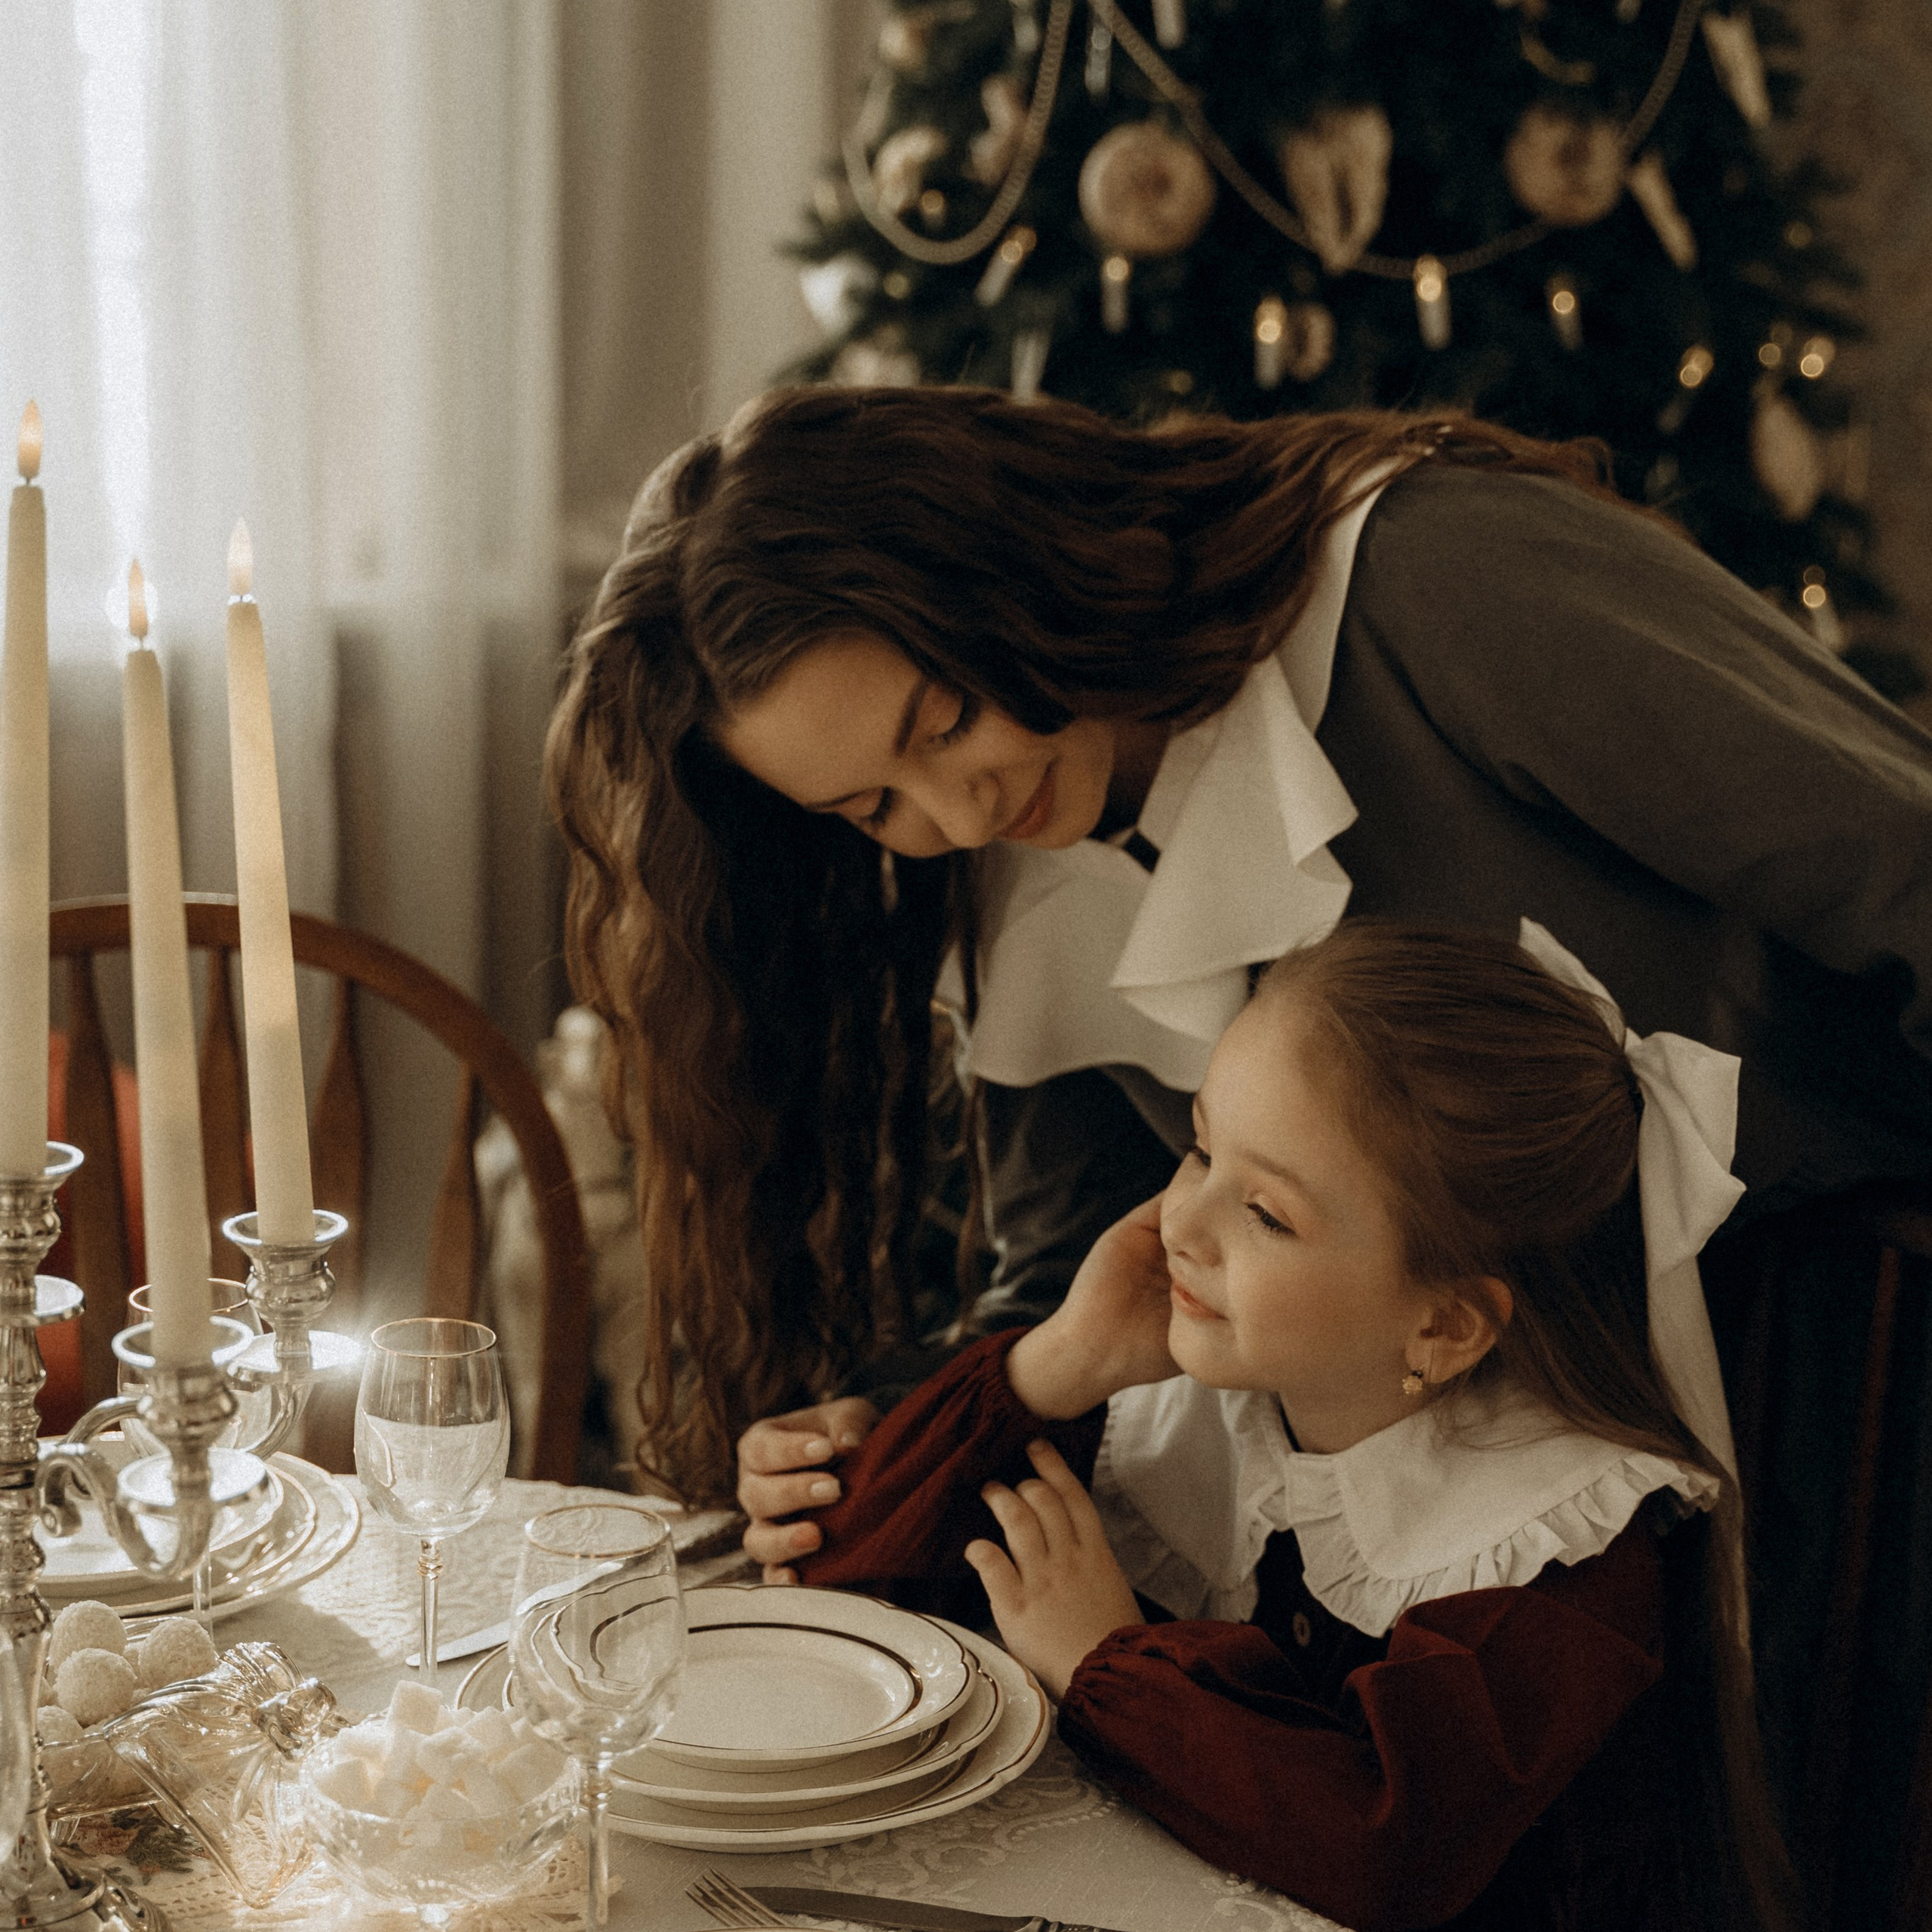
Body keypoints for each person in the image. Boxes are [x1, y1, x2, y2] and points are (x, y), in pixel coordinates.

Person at [544, 383, 1932, 1846]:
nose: (953, 816)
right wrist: (888, 1426)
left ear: (1007, 569)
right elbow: (1086, 1270)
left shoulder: (1433, 579)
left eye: (942, 721)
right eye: (870, 809)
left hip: (1852, 1354)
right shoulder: (1023, 845)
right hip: (1491, 1512)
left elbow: (1899, 868)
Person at [792, 921, 1791, 1932]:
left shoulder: (1548, 1551)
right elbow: (829, 1590)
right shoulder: (1188, 1406)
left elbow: (1378, 1855)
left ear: (1443, 1326)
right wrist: (1057, 1363)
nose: (1181, 1223)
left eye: (1266, 1214)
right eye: (1200, 1149)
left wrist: (1105, 1659)